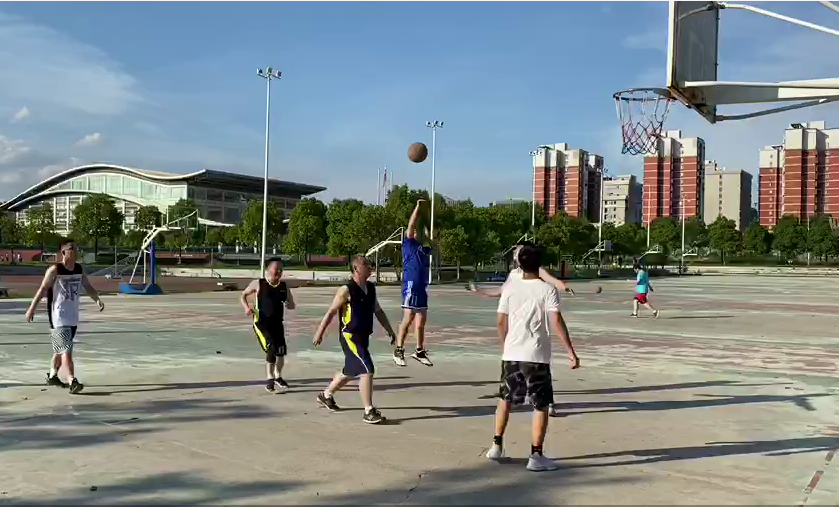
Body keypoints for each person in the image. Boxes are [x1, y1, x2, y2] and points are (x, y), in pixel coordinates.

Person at [485, 244, 580, 472]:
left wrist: (506, 344)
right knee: (540, 405)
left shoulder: (510, 287)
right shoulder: (547, 289)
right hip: (536, 355)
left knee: (505, 399)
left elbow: (500, 321)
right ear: (540, 264)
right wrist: (570, 351)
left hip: (512, 354)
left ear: (519, 263)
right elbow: (555, 321)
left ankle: (496, 445)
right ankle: (536, 456)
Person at [313, 255, 397, 424]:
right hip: (350, 336)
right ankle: (368, 411)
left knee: (350, 371)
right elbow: (331, 312)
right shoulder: (346, 290)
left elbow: (378, 311)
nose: (370, 266)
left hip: (363, 336)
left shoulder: (371, 288)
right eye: (366, 264)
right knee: (367, 369)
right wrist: (319, 332)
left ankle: (326, 395)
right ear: (356, 269)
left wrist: (389, 330)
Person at [25, 238, 104, 394]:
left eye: (76, 248)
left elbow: (87, 286)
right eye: (71, 248)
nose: (75, 251)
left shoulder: (79, 269)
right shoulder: (55, 270)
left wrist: (97, 300)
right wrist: (31, 309)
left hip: (72, 315)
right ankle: (72, 381)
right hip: (58, 315)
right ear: (63, 252)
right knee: (66, 350)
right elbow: (42, 290)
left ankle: (52, 376)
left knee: (60, 349)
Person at [240, 257, 296, 392]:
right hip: (261, 323)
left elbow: (292, 304)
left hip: (277, 324)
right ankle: (269, 378)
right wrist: (247, 308)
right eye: (276, 269)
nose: (279, 272)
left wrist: (289, 304)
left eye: (281, 269)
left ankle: (278, 376)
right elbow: (243, 295)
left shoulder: (283, 287)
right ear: (268, 269)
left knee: (281, 352)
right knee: (271, 348)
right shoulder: (259, 283)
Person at [393, 199, 433, 367]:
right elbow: (411, 224)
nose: (416, 232)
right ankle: (398, 349)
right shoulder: (408, 244)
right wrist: (418, 208)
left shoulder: (424, 248)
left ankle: (419, 350)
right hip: (410, 285)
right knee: (408, 318)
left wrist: (428, 229)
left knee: (421, 322)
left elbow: (434, 243)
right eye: (415, 231)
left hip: (421, 287)